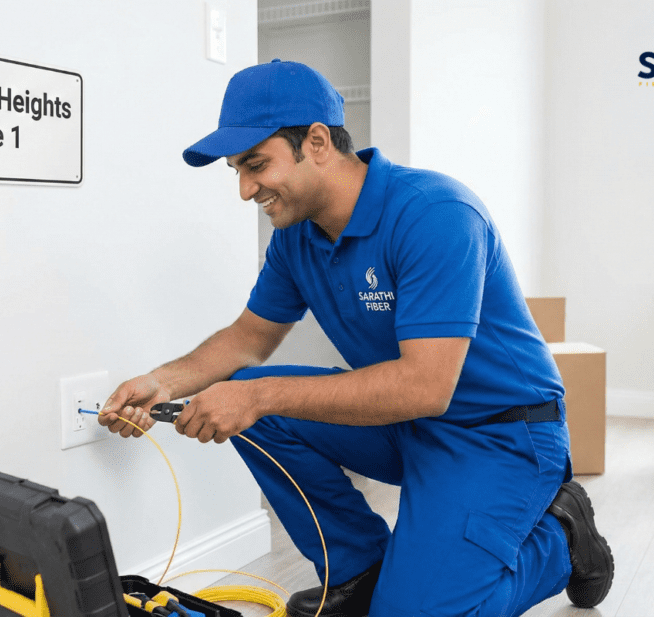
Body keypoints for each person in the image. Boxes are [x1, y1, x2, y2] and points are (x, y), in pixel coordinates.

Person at [98, 59, 613, 617]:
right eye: (237, 171)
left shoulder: (436, 213)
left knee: (258, 400)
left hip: (500, 436)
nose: (246, 189)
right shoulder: (297, 237)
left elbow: (426, 387)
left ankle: (562, 538)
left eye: (256, 165)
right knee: (252, 395)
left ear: (316, 142)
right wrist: (159, 381)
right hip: (407, 426)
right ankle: (359, 569)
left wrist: (255, 396)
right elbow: (248, 339)